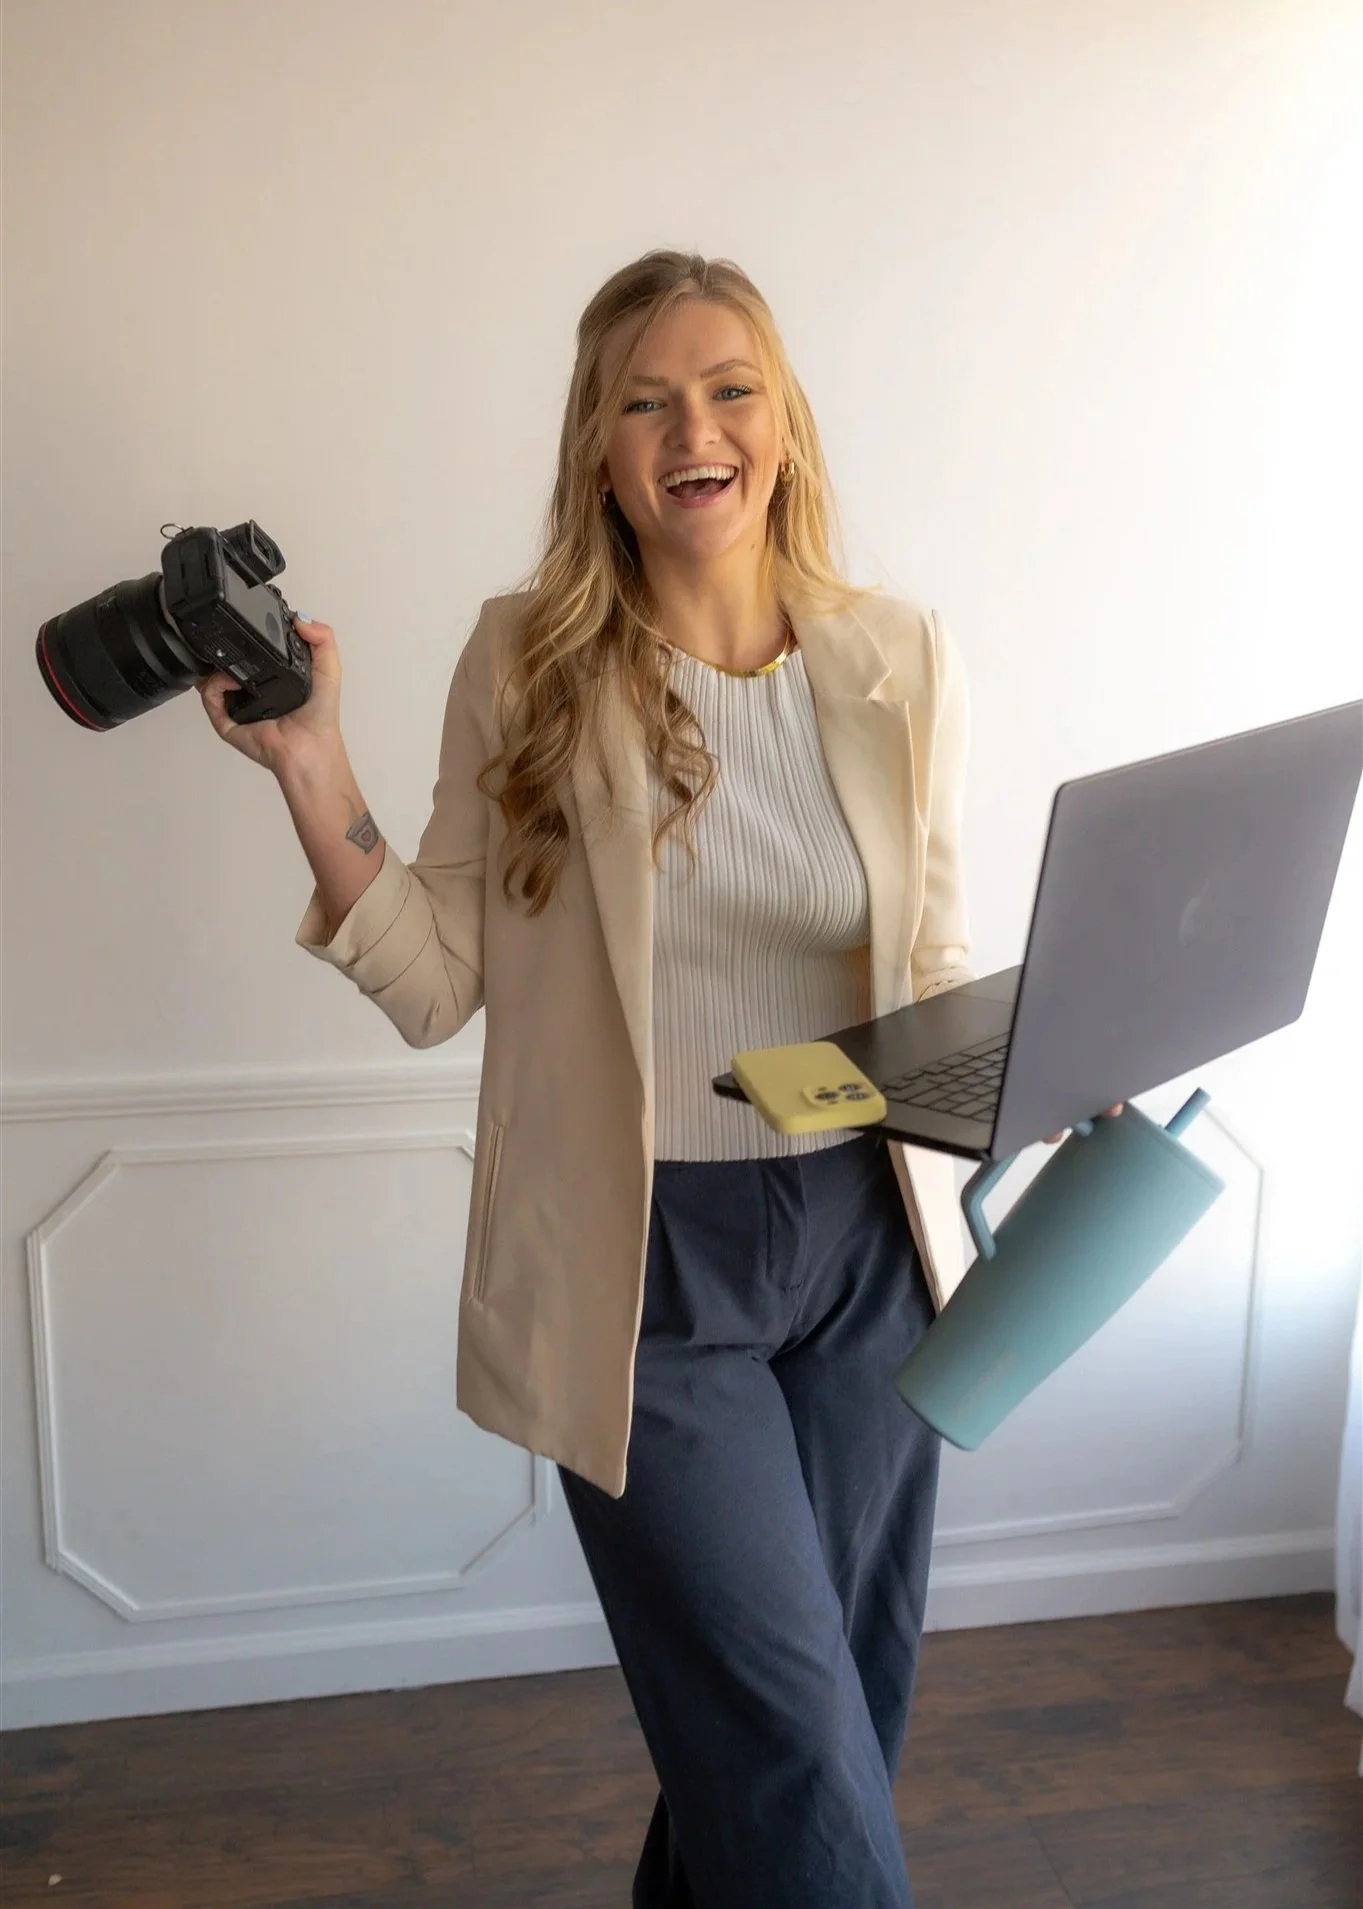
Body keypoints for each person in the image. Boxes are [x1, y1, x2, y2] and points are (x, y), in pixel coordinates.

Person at [198, 248, 1107, 1908]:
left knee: (830, 1712)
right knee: (786, 1750)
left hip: (867, 1248)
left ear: (783, 422)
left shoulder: (898, 658)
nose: (695, 427)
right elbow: (437, 980)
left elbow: (929, 974)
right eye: (645, 400)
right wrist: (308, 764)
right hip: (646, 1274)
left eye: (728, 387)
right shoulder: (528, 662)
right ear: (600, 451)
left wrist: (1065, 1049)